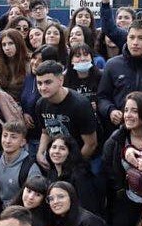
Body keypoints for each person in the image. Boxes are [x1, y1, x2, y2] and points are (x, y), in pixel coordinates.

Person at [32, 60, 99, 213]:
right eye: (39, 83)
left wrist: (71, 167)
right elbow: (45, 131)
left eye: (48, 82)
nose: (43, 87)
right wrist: (40, 152)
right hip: (57, 163)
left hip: (81, 166)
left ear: (60, 80)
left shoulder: (80, 104)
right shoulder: (41, 104)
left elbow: (91, 144)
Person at [102, 91, 142, 226]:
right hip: (127, 201)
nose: (128, 115)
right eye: (126, 110)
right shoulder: (116, 140)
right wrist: (120, 191)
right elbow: (109, 171)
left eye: (135, 111)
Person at [0, 120, 42, 210]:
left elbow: (35, 196)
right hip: (0, 207)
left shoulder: (30, 168)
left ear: (23, 142)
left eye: (13, 137)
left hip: (20, 211)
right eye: (5, 135)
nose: (7, 141)